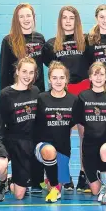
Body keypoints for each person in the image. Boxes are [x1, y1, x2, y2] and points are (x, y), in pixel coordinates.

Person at [42, 5, 90, 192]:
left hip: (84, 89)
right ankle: (63, 175)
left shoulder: (86, 41)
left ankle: (84, 174)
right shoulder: (51, 44)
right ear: (60, 21)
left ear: (76, 21)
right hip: (63, 91)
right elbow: (51, 67)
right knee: (61, 135)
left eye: (72, 18)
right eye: (65, 18)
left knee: (84, 135)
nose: (68, 21)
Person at [0, 57, 40, 202]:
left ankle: (14, 182)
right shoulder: (5, 94)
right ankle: (2, 182)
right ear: (17, 71)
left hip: (27, 144)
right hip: (10, 140)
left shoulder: (36, 91)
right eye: (24, 71)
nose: (27, 75)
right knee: (0, 166)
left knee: (19, 195)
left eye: (31, 72)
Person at [74, 62, 106, 201]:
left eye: (102, 74)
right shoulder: (83, 96)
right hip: (90, 147)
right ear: (90, 77)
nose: (98, 78)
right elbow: (79, 123)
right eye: (95, 74)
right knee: (95, 191)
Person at [34, 61, 78, 203]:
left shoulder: (73, 100)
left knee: (62, 183)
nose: (58, 81)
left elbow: (72, 126)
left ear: (66, 79)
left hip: (63, 149)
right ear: (49, 79)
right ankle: (50, 180)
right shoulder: (41, 98)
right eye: (54, 78)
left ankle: (50, 178)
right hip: (43, 147)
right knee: (49, 151)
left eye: (61, 77)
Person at [0, 3, 45, 92]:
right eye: (21, 16)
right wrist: (5, 95)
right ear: (17, 20)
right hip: (16, 93)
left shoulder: (40, 38)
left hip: (37, 91)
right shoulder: (8, 40)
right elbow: (4, 72)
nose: (26, 19)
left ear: (33, 17)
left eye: (28, 15)